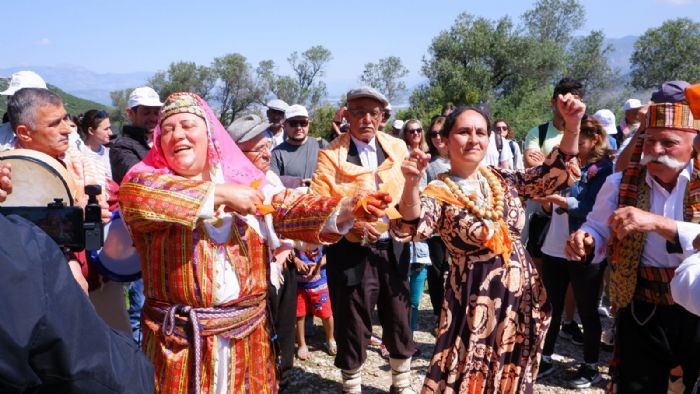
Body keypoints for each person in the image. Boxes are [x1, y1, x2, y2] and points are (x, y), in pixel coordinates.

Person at [119, 92, 390, 393]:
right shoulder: (144, 182)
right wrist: (221, 194)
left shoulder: (245, 181)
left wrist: (348, 208)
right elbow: (141, 197)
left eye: (186, 125)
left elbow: (287, 208)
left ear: (208, 133)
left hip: (247, 338)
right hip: (180, 345)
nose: (177, 135)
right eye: (167, 129)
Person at [394, 93, 584, 393]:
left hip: (520, 301)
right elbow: (413, 225)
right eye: (464, 132)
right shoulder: (438, 191)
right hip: (474, 303)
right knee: (470, 375)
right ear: (444, 140)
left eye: (480, 132)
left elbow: (550, 177)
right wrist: (409, 184)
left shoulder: (502, 179)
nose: (474, 139)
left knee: (513, 372)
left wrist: (572, 126)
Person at [566, 81, 700, 393]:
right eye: (649, 140)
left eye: (667, 143)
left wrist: (654, 222)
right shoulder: (621, 183)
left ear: (692, 143)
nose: (655, 151)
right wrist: (586, 240)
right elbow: (599, 227)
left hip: (696, 311)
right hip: (642, 309)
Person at [310, 86, 416, 394]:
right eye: (357, 112)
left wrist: (399, 222)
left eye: (373, 113)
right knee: (352, 320)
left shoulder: (397, 148)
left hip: (393, 245)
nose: (365, 119)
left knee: (398, 314)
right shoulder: (331, 155)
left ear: (383, 117)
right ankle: (352, 386)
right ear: (346, 115)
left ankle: (402, 382)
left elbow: (410, 191)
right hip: (351, 250)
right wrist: (354, 222)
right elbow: (320, 202)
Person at [534, 115, 614, 387]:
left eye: (581, 137)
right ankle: (544, 358)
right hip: (555, 245)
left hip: (584, 247)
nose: (575, 142)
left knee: (588, 309)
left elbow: (593, 206)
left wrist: (563, 200)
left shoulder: (603, 170)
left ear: (594, 140)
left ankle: (591, 365)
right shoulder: (565, 162)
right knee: (550, 306)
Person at [422, 116, 450, 330]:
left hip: (460, 227)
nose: (438, 137)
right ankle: (440, 316)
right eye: (433, 134)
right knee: (437, 273)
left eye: (442, 132)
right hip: (437, 229)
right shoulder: (428, 162)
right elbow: (422, 192)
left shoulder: (461, 158)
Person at [110, 86, 162, 185]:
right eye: (146, 113)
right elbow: (139, 180)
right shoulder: (121, 147)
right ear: (130, 113)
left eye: (156, 112)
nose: (153, 118)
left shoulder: (162, 142)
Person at [293, 246, 337, 359]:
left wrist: (319, 264)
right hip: (298, 284)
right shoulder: (292, 233)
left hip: (319, 283)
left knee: (326, 313)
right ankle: (302, 344)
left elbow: (332, 252)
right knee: (299, 314)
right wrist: (295, 260)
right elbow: (286, 249)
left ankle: (330, 338)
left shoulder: (322, 234)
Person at [270, 104, 327, 188]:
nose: (299, 127)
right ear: (284, 126)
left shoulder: (322, 145)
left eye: (303, 123)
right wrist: (296, 183)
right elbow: (272, 183)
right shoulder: (276, 154)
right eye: (293, 123)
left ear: (308, 124)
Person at [0, 70, 48, 151]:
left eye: (22, 101)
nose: (15, 105)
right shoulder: (3, 133)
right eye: (12, 99)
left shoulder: (60, 135)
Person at [78, 109, 113, 180]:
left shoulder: (106, 152)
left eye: (110, 128)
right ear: (91, 131)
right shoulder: (79, 154)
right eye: (106, 129)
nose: (110, 133)